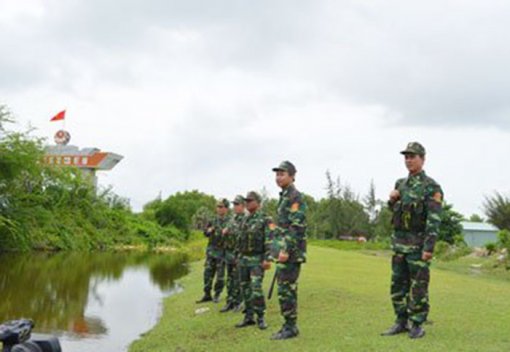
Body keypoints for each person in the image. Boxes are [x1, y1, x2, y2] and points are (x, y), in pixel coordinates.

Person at [381, 142, 443, 339]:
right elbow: (395, 212)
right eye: (406, 157)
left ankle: (416, 324)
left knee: (418, 286)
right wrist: (391, 200)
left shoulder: (431, 187)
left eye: (412, 157)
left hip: (418, 246)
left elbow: (433, 220)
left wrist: (429, 248)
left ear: (422, 159)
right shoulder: (400, 184)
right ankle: (400, 321)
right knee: (397, 285)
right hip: (399, 245)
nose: (408, 160)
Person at [270, 161, 307, 340]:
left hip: (291, 253)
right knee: (284, 289)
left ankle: (291, 327)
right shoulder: (284, 196)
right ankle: (287, 325)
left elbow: (296, 226)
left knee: (287, 289)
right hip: (284, 251)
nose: (278, 177)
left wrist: (285, 249)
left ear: (292, 176)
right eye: (277, 174)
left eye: (282, 174)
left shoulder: (295, 197)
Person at [235, 191, 274, 330]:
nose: (247, 203)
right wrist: (237, 257)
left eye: (250, 200)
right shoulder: (244, 219)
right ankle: (248, 317)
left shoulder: (265, 219)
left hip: (257, 260)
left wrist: (268, 258)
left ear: (258, 202)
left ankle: (261, 317)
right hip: (243, 260)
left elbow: (270, 239)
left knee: (256, 288)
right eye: (246, 200)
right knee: (245, 289)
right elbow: (239, 240)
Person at [196, 198, 231, 304]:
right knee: (207, 273)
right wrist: (208, 230)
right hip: (211, 250)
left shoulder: (230, 221)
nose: (218, 209)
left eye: (221, 207)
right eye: (217, 207)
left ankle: (217, 294)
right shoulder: (212, 220)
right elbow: (205, 233)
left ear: (226, 208)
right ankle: (207, 294)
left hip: (222, 251)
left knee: (220, 276)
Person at [220, 195, 246, 313]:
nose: (234, 207)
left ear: (243, 205)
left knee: (238, 279)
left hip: (239, 254)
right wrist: (225, 230)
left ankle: (239, 302)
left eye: (237, 204)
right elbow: (227, 230)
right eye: (234, 204)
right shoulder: (233, 218)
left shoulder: (246, 218)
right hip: (229, 253)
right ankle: (230, 301)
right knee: (230, 279)